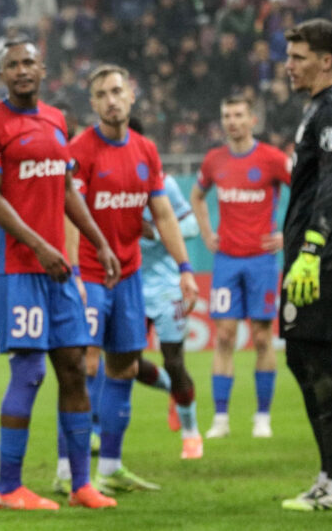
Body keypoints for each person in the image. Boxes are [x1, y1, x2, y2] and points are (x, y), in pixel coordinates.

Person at [0, 39, 119, 511]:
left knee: (74, 366)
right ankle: (8, 487)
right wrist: (40, 245)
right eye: (11, 64)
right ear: (2, 75)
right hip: (16, 268)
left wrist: (98, 241)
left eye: (28, 62)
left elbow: (68, 189)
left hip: (57, 270)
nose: (20, 70)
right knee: (30, 370)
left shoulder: (56, 120)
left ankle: (81, 484)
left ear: (43, 68)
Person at [61, 64, 199, 495]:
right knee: (81, 366)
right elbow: (68, 214)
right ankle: (68, 472)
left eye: (117, 90)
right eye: (102, 94)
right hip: (91, 275)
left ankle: (112, 468)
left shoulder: (146, 150)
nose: (111, 99)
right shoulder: (80, 150)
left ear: (132, 94)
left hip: (130, 275)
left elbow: (162, 214)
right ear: (94, 103)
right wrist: (76, 274)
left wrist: (185, 269)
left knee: (124, 366)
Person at [278, 18, 332, 512]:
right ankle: (329, 476)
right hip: (315, 252)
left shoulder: (331, 112)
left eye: (298, 56)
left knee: (317, 358)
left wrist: (311, 251)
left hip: (323, 256)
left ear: (326, 60)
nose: (288, 65)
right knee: (300, 356)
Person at [190, 94, 290, 439]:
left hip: (262, 260)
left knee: (263, 338)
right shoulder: (214, 160)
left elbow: (305, 192)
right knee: (224, 336)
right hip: (226, 261)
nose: (231, 121)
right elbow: (197, 196)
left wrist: (288, 234)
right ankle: (221, 419)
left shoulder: (271, 159)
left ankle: (262, 417)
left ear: (252, 120)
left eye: (237, 115)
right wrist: (206, 231)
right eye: (226, 115)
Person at [134, 116, 205, 460]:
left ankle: (191, 433)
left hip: (165, 285)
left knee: (174, 361)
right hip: (128, 283)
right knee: (127, 363)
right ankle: (172, 393)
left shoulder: (163, 182)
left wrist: (154, 230)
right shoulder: (104, 184)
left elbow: (190, 226)